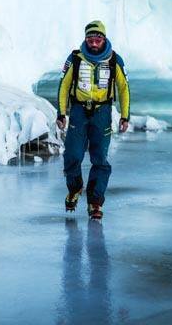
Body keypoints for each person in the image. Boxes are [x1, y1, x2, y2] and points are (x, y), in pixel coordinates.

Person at [56, 20, 130, 220]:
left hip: (102, 113)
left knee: (100, 159)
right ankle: (75, 187)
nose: (94, 43)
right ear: (85, 39)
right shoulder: (75, 59)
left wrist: (125, 115)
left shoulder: (115, 60)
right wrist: (61, 113)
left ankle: (95, 202)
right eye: (90, 39)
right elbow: (64, 85)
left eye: (98, 39)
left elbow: (123, 89)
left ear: (103, 39)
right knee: (72, 154)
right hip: (79, 112)